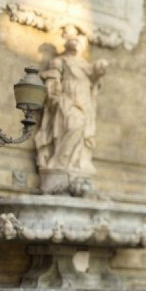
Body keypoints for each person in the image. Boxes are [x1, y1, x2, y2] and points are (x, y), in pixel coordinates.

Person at [35, 28, 107, 195]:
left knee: (82, 131)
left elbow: (95, 77)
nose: (75, 43)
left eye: (77, 41)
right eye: (72, 40)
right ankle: (60, 162)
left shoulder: (85, 65)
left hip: (84, 99)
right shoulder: (59, 61)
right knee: (71, 126)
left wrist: (101, 68)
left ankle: (77, 164)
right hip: (67, 99)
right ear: (66, 44)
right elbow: (52, 80)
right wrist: (54, 96)